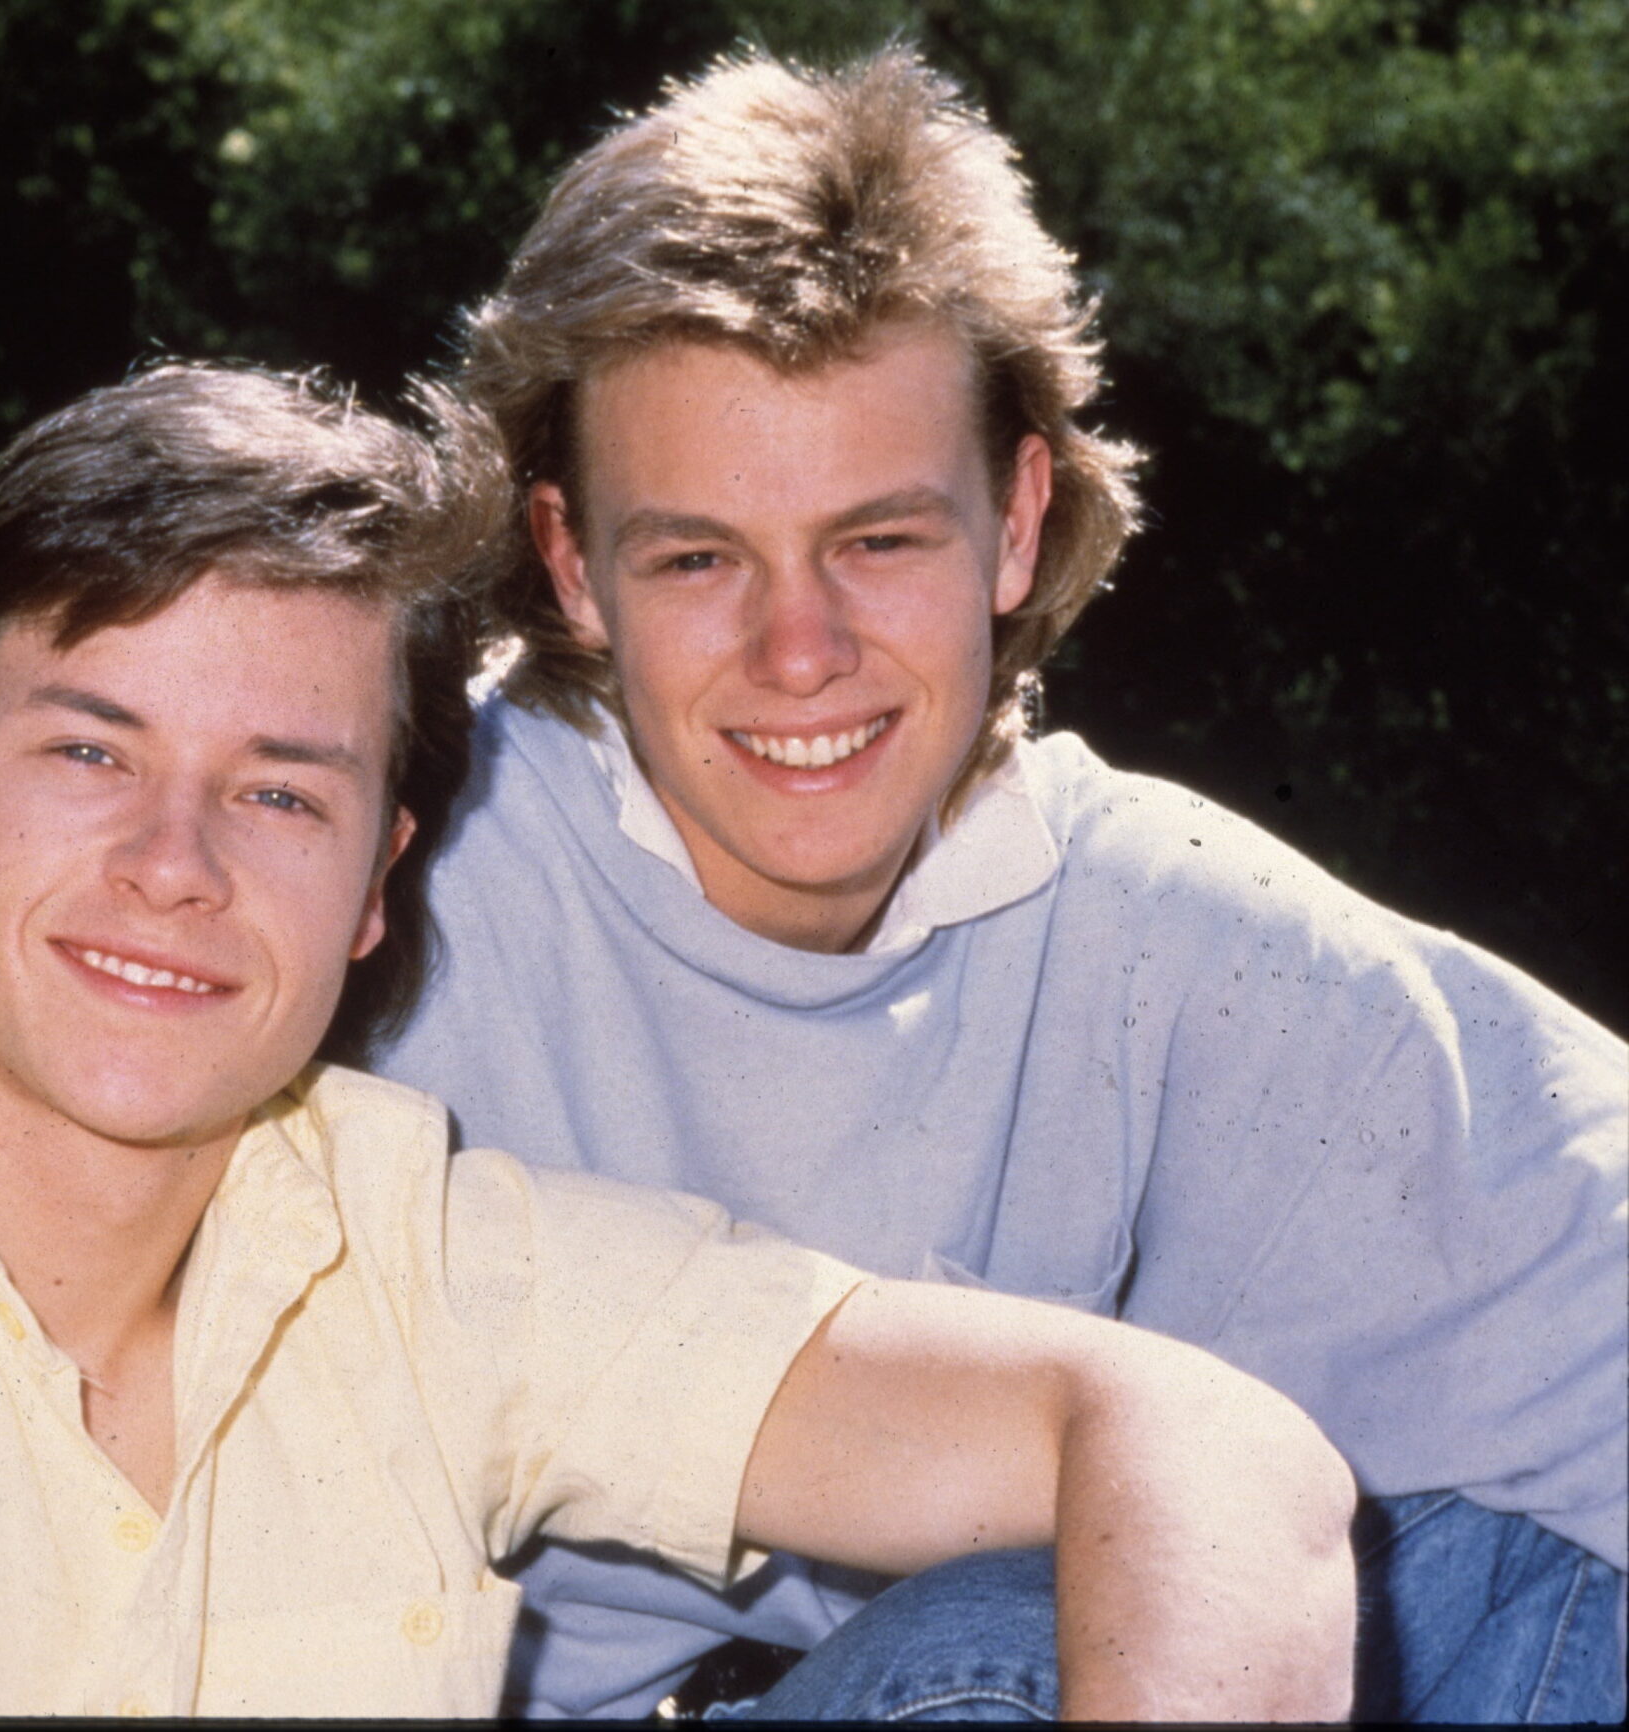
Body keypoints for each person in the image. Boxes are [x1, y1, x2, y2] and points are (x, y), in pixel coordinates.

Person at [0, 362, 1358, 1717]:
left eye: (279, 790)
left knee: (1188, 1621)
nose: (174, 862)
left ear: (375, 882)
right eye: (89, 748)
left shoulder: (389, 1240)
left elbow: (1198, 1440)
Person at [369, 44, 1629, 1723]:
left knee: (1494, 1588)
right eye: (696, 557)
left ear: (1019, 523)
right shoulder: (383, 878)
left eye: (880, 541)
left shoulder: (1153, 926)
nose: (799, 653)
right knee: (1018, 1640)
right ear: (567, 565)